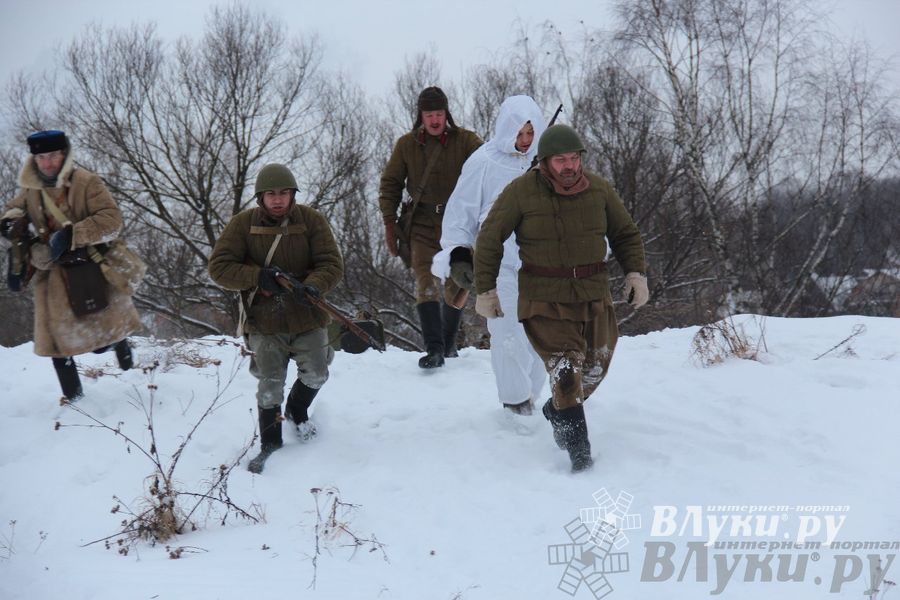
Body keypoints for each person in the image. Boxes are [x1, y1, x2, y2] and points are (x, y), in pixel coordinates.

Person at [473, 124, 649, 472]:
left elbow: (625, 233)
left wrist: (635, 274)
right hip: (543, 298)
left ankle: (557, 408)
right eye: (560, 160)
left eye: (573, 158)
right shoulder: (521, 191)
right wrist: (486, 289)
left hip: (593, 294)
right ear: (544, 162)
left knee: (594, 368)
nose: (568, 166)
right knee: (566, 370)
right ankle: (579, 455)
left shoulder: (599, 189)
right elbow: (490, 237)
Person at [208, 163, 343, 473]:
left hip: (307, 314)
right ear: (261, 197)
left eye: (284, 193)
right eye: (271, 194)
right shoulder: (242, 224)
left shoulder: (312, 220)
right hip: (264, 319)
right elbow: (219, 268)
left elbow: (331, 264)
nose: (278, 199)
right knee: (270, 384)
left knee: (317, 372)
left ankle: (297, 410)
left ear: (293, 194)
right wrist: (258, 277)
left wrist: (314, 285)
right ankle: (270, 443)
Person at [0, 130, 140, 401]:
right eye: (41, 157)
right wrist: (10, 222)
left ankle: (129, 367)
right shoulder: (31, 188)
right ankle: (75, 402)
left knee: (103, 340)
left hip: (89, 269)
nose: (47, 163)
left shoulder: (86, 181)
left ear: (64, 154)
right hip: (51, 275)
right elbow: (12, 209)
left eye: (53, 155)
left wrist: (73, 234)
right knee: (57, 346)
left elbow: (112, 221)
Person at [431, 95, 548, 415]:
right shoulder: (483, 162)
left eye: (531, 132)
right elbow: (460, 213)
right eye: (519, 133)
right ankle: (515, 403)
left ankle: (532, 397)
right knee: (508, 334)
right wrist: (457, 253)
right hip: (500, 264)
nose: (525, 140)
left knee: (541, 337)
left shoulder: (548, 159)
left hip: (542, 264)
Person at [380, 86, 482, 368]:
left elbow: (489, 166)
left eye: (439, 113)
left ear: (446, 113)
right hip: (422, 223)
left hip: (458, 222)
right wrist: (389, 223)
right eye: (429, 115)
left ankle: (448, 344)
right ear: (420, 116)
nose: (435, 120)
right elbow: (390, 183)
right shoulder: (406, 145)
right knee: (425, 281)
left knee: (458, 283)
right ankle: (434, 349)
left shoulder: (466, 141)